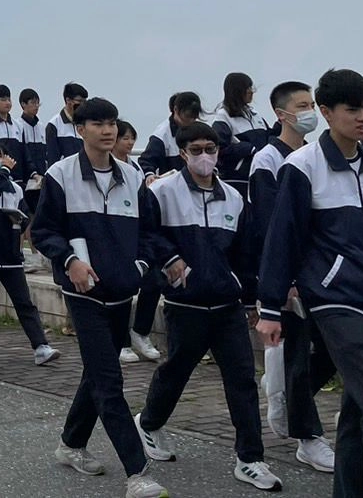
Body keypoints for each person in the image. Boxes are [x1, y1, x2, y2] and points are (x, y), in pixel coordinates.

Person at [258, 68, 363, 498]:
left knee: (358, 416)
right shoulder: (302, 167)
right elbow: (283, 239)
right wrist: (269, 307)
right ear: (325, 112)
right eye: (352, 109)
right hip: (336, 303)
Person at [133, 123, 281, 491]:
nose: (205, 156)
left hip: (228, 306)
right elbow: (146, 233)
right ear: (182, 153)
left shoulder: (233, 197)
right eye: (196, 149)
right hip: (186, 304)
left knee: (242, 380)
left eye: (211, 149)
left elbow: (247, 253)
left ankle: (250, 458)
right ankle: (149, 422)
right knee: (176, 370)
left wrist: (250, 299)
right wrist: (170, 260)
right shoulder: (162, 192)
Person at [32, 96, 167, 498]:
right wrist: (70, 259)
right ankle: (137, 472)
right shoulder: (61, 175)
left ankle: (71, 444)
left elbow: (149, 235)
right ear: (80, 129)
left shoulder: (131, 176)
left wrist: (139, 269)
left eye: (112, 123)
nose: (108, 130)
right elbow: (43, 232)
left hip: (120, 292)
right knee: (110, 379)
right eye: (98, 124)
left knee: (96, 372)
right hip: (84, 294)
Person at [247, 81, 334, 473]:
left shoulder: (319, 155)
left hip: (328, 274)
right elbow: (270, 226)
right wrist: (281, 279)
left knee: (332, 351)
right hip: (293, 274)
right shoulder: (267, 160)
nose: (310, 111)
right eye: (302, 105)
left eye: (312, 104)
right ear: (282, 114)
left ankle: (288, 397)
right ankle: (307, 436)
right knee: (298, 353)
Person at [0, 142, 58, 365]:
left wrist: (19, 219)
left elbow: (25, 214)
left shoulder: (15, 188)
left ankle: (41, 346)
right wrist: (4, 172)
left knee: (24, 301)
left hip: (11, 255)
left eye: (3, 156)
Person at [118, 121, 163, 364]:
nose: (130, 142)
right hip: (120, 236)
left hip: (139, 232)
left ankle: (140, 332)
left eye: (132, 138)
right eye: (125, 138)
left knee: (154, 281)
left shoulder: (134, 169)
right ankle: (122, 341)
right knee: (123, 290)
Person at [210, 73, 269, 197]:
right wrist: (246, 149)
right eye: (247, 88)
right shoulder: (223, 117)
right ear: (237, 91)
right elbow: (217, 149)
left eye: (251, 88)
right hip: (237, 180)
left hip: (259, 174)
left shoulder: (255, 114)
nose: (251, 92)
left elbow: (267, 137)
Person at [18, 87, 52, 268]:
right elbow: (24, 155)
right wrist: (31, 173)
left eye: (38, 103)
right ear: (23, 105)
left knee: (37, 217)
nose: (36, 106)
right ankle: (23, 254)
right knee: (25, 218)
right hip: (26, 180)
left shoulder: (41, 127)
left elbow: (45, 153)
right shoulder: (18, 126)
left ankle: (37, 255)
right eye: (32, 103)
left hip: (40, 180)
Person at [139, 93, 203, 177]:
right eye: (187, 116)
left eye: (194, 117)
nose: (191, 120)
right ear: (175, 110)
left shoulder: (201, 130)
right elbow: (146, 161)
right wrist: (150, 175)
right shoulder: (162, 135)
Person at [48, 82, 89, 161]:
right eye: (79, 101)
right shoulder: (54, 125)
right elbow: (52, 157)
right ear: (68, 100)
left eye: (85, 102)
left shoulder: (86, 124)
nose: (83, 105)